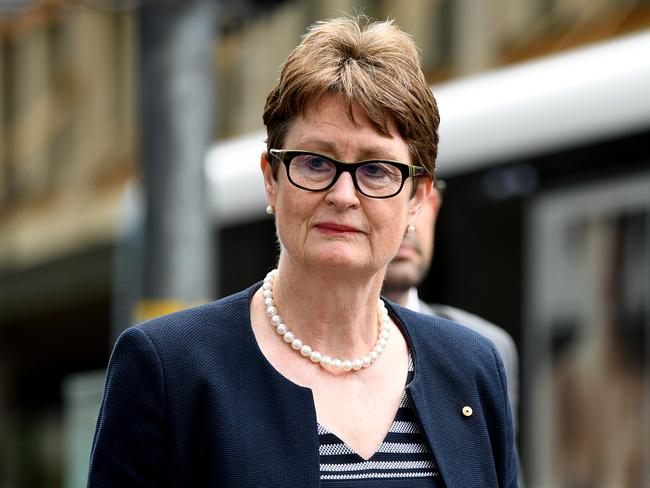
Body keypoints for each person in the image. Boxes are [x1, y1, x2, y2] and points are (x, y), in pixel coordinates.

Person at [88, 15, 518, 487]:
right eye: (315, 163)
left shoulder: (471, 367)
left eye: (376, 169)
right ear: (271, 179)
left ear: (417, 197)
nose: (344, 195)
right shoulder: (169, 369)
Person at [382, 184, 519, 427]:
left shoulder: (485, 347)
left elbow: (501, 464)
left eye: (418, 201)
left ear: (433, 204)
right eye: (387, 197)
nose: (407, 225)